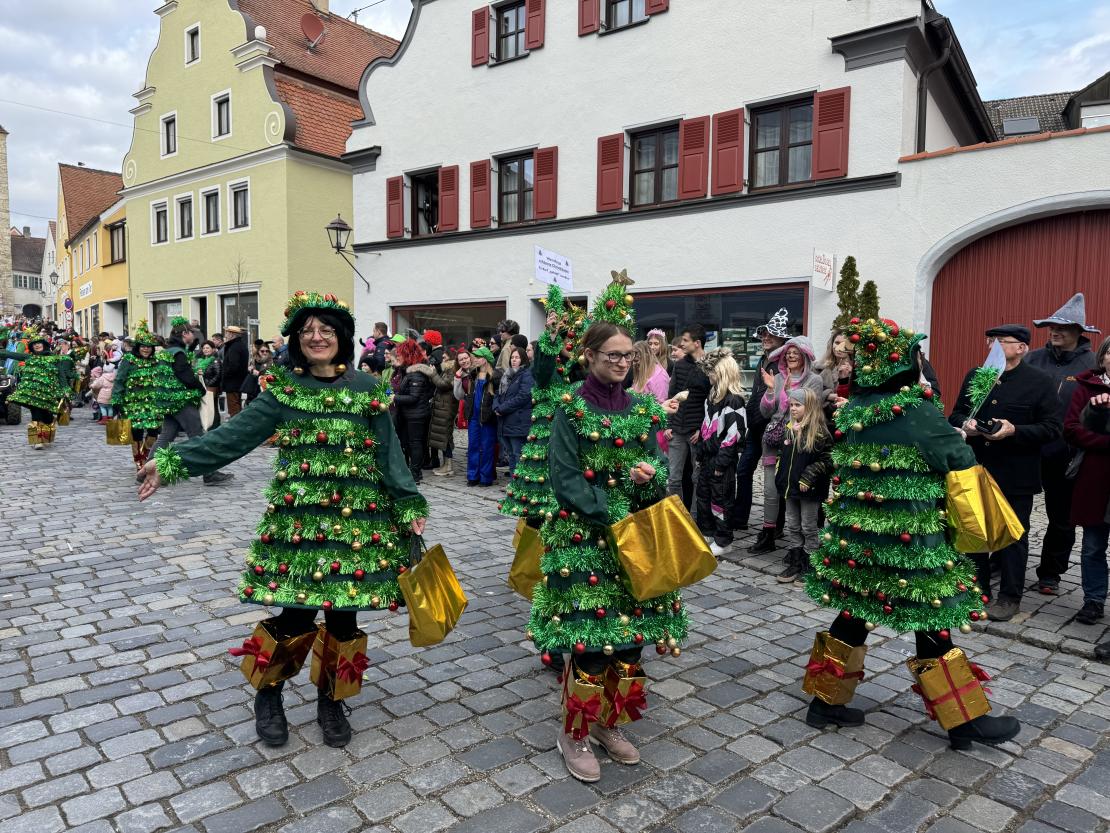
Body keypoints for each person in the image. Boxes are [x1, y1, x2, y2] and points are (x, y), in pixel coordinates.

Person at [139, 291, 428, 749]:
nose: (317, 337)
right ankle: (268, 693)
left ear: (342, 338)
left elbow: (390, 453)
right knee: (294, 616)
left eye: (326, 331)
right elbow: (232, 437)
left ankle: (332, 700)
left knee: (343, 623)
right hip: (301, 526)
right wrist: (172, 461)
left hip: (357, 527)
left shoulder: (367, 389)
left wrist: (410, 503)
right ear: (296, 340)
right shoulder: (285, 393)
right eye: (308, 331)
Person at [800, 316, 1021, 750]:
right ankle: (963, 722)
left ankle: (824, 703)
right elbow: (958, 460)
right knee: (933, 621)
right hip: (910, 544)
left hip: (860, 543)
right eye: (915, 359)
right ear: (900, 364)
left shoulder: (857, 409)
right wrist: (953, 435)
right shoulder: (917, 411)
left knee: (853, 613)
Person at [529, 320, 678, 783]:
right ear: (589, 356)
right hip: (585, 541)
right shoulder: (570, 409)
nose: (620, 362)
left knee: (631, 643)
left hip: (635, 538)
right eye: (611, 355)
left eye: (626, 355)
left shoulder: (639, 406)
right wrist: (606, 509)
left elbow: (657, 461)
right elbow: (564, 476)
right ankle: (574, 733)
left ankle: (611, 725)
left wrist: (647, 474)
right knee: (592, 645)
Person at [949, 325, 1061, 621]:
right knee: (975, 531)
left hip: (1016, 472)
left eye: (1002, 342)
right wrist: (967, 425)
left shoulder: (1040, 381)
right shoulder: (977, 376)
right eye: (991, 341)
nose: (993, 346)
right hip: (976, 467)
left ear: (1021, 347)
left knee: (1012, 535)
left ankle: (1009, 597)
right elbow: (957, 413)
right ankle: (976, 590)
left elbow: (1052, 428)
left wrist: (1015, 430)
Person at [1026, 293, 1101, 596]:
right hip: (1028, 449)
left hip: (1065, 454)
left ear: (1078, 332)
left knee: (1061, 519)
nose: (1055, 332)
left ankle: (1051, 573)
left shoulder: (1092, 365)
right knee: (1013, 510)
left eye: (1063, 328)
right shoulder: (1033, 358)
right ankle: (1002, 561)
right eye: (1051, 327)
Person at [751, 335, 822, 555]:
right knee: (771, 491)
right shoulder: (779, 377)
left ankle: (803, 545)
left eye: (795, 352)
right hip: (774, 439)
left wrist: (790, 391)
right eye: (788, 352)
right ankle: (768, 534)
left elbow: (809, 409)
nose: (791, 355)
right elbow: (766, 412)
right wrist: (771, 390)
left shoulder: (814, 380)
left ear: (805, 356)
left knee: (794, 492)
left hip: (799, 443)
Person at [150, 317, 234, 486]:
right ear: (184, 333)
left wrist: (193, 344)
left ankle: (147, 470)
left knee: (166, 436)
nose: (195, 336)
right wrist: (200, 389)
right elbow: (186, 376)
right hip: (181, 401)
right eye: (192, 333)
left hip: (169, 400)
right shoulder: (179, 354)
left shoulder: (168, 350)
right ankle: (209, 473)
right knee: (198, 436)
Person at [1064, 335, 1110, 625]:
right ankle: (1093, 600)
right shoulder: (1087, 387)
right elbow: (1070, 429)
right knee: (1093, 545)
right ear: (1103, 356)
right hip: (1096, 478)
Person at [731, 309, 789, 532]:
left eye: (771, 335)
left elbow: (779, 401)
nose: (766, 338)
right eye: (764, 335)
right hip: (755, 428)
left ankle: (777, 524)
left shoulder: (782, 365)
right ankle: (740, 518)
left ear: (781, 338)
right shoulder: (763, 361)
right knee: (744, 470)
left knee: (774, 480)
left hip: (772, 429)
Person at [775, 388, 833, 583]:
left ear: (809, 407)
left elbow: (827, 459)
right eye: (791, 405)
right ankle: (796, 557)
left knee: (808, 526)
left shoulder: (818, 432)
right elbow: (784, 458)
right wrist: (780, 477)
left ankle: (810, 560)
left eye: (797, 405)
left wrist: (808, 477)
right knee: (792, 524)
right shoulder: (790, 428)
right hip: (790, 488)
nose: (793, 409)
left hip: (810, 490)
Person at [694, 349, 747, 556]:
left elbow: (734, 436)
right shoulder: (712, 398)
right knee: (704, 496)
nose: (709, 376)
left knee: (721, 499)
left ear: (723, 372)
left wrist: (721, 463)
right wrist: (700, 455)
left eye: (712, 372)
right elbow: (705, 428)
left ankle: (724, 540)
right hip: (707, 456)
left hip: (720, 460)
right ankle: (707, 532)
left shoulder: (734, 401)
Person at [0, 329, 70, 449]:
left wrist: (66, 390)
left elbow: (61, 375)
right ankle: (37, 440)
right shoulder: (29, 357)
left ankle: (48, 425)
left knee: (46, 416)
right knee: (36, 414)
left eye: (39, 343)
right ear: (32, 347)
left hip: (48, 393)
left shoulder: (54, 358)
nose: (37, 345)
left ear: (44, 345)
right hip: (31, 394)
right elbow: (10, 354)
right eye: (34, 344)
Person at [665, 324, 709, 506]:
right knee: (673, 479)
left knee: (697, 478)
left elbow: (713, 401)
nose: (682, 344)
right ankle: (677, 519)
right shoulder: (680, 365)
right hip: (676, 429)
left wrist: (702, 429)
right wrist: (667, 424)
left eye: (685, 340)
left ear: (697, 343)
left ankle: (695, 521)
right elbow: (671, 396)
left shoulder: (710, 365)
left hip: (696, 431)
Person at [111, 321, 164, 471]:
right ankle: (139, 462)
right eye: (143, 347)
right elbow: (120, 380)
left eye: (148, 347)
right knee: (136, 433)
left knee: (153, 431)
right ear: (138, 348)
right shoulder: (129, 360)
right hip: (132, 404)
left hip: (153, 404)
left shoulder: (156, 361)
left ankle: (146, 455)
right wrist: (116, 400)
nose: (146, 349)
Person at [391, 339, 435, 483]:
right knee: (408, 443)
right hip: (408, 413)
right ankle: (413, 471)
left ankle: (415, 473)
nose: (398, 357)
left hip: (416, 414)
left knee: (415, 443)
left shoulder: (416, 373)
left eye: (400, 354)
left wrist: (394, 398)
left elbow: (414, 397)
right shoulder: (408, 371)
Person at [456, 346, 498, 486]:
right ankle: (472, 476)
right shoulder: (472, 375)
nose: (474, 359)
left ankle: (486, 477)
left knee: (486, 448)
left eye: (478, 357)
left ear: (485, 359)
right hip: (473, 416)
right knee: (473, 446)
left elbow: (497, 397)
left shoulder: (494, 376)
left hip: (488, 417)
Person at [493, 345, 534, 476]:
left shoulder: (526, 374)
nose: (514, 360)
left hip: (518, 421)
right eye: (512, 357)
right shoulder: (508, 374)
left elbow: (523, 396)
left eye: (517, 357)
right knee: (510, 455)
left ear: (523, 359)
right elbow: (498, 394)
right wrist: (496, 407)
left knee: (518, 455)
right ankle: (513, 483)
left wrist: (502, 409)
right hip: (505, 422)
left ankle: (520, 485)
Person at [428, 349, 460, 477]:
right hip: (443, 406)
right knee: (444, 436)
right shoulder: (447, 369)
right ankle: (446, 464)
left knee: (445, 436)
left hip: (446, 407)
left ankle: (448, 466)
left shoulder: (451, 370)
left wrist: (433, 374)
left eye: (445, 357)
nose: (443, 359)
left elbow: (443, 385)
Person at [818, 330, 854, 414]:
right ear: (832, 344)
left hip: (846, 417)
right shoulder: (818, 367)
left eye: (845, 344)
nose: (840, 347)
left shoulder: (856, 370)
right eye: (837, 343)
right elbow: (810, 393)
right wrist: (828, 395)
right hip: (821, 418)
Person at [221, 325, 250, 417]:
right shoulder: (239, 345)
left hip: (233, 383)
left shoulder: (234, 347)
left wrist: (225, 374)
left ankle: (236, 428)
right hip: (237, 382)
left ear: (232, 334)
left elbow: (233, 366)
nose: (225, 334)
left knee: (234, 408)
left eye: (227, 332)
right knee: (235, 405)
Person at [196, 340, 222, 430]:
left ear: (213, 349)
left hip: (211, 387)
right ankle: (207, 425)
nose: (205, 350)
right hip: (203, 387)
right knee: (205, 407)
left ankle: (215, 426)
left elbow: (218, 375)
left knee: (213, 407)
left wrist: (208, 383)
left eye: (208, 348)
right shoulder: (201, 361)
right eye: (203, 348)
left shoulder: (215, 361)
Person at [241, 343, 274, 407]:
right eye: (262, 351)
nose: (265, 353)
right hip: (252, 389)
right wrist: (250, 370)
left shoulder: (272, 361)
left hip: (263, 389)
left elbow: (272, 375)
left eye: (267, 351)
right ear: (258, 351)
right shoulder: (254, 360)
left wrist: (259, 373)